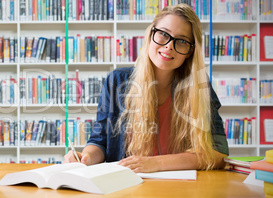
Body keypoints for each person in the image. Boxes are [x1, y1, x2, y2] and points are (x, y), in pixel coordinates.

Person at [64, 4, 229, 173]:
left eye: (181, 41)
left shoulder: (199, 87)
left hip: (181, 186)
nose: (169, 46)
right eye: (164, 34)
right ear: (151, 34)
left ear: (190, 52)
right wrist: (86, 158)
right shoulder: (117, 81)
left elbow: (219, 153)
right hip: (127, 185)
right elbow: (100, 141)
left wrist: (156, 163)